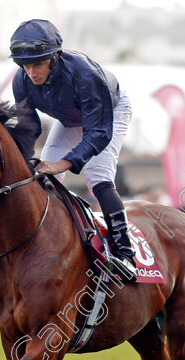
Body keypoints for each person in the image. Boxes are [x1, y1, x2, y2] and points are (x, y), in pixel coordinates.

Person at [8, 19, 137, 282]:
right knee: (43, 177)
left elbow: (98, 133)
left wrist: (66, 162)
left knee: (98, 178)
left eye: (37, 65)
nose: (31, 73)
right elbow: (29, 126)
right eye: (25, 66)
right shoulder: (21, 80)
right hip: (71, 118)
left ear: (55, 57)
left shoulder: (85, 74)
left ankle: (125, 254)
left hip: (108, 112)